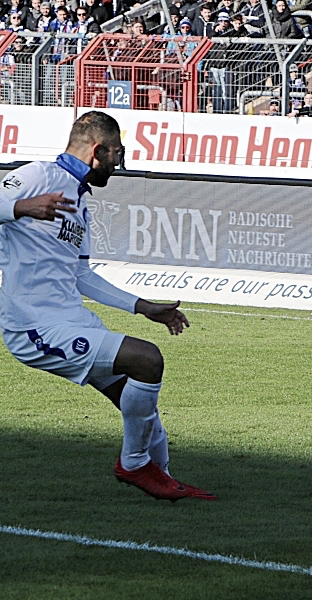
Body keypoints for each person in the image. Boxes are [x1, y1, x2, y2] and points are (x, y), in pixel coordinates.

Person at [0, 112, 215, 501]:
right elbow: (7, 203)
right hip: (33, 327)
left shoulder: (80, 203)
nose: (119, 163)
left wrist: (143, 306)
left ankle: (164, 480)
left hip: (73, 320)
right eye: (118, 153)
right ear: (98, 151)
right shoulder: (37, 176)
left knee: (140, 406)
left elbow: (81, 277)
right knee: (147, 360)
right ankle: (132, 465)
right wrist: (21, 207)